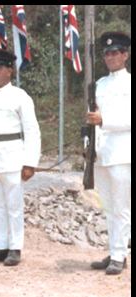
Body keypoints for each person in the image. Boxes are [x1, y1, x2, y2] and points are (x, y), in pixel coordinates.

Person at [0, 49, 41, 267]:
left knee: (14, 206)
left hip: (12, 157)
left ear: (9, 71)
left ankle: (15, 248)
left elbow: (32, 131)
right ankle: (0, 246)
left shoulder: (20, 97)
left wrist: (30, 163)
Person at [88, 32, 131, 276]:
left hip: (123, 153)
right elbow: (91, 118)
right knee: (108, 207)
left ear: (125, 55)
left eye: (115, 52)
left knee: (122, 206)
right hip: (102, 153)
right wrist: (88, 148)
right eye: (107, 53)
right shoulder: (99, 85)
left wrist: (105, 120)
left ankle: (118, 254)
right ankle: (116, 251)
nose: (110, 57)